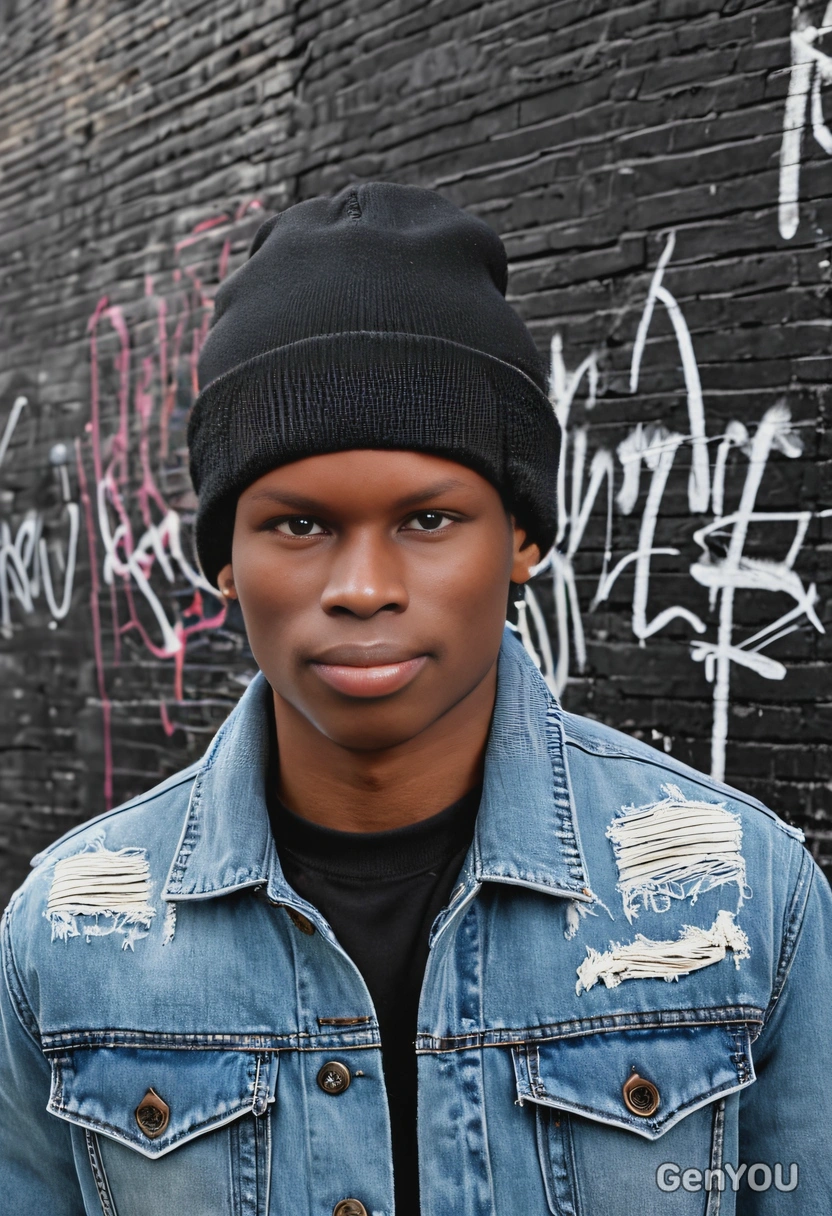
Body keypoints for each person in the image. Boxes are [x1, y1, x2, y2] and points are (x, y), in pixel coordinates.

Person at [1, 183, 829, 1216]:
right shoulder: (68, 941)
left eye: (429, 520)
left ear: (522, 536)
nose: (361, 587)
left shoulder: (744, 901)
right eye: (297, 525)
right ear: (222, 559)